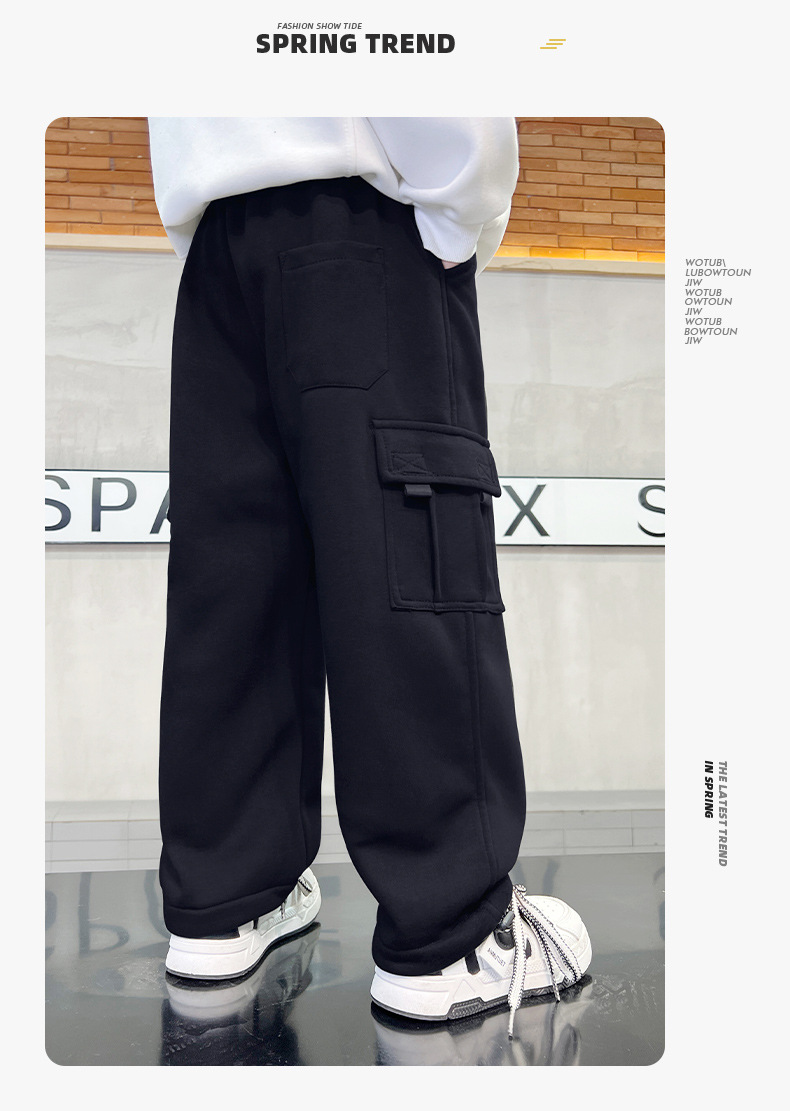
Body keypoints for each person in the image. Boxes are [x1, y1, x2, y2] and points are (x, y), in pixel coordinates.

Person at [149, 117, 591, 1037]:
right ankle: (451, 932)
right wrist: (459, 211)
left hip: (217, 244)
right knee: (411, 553)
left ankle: (225, 901)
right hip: (363, 223)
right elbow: (426, 73)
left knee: (235, 578)